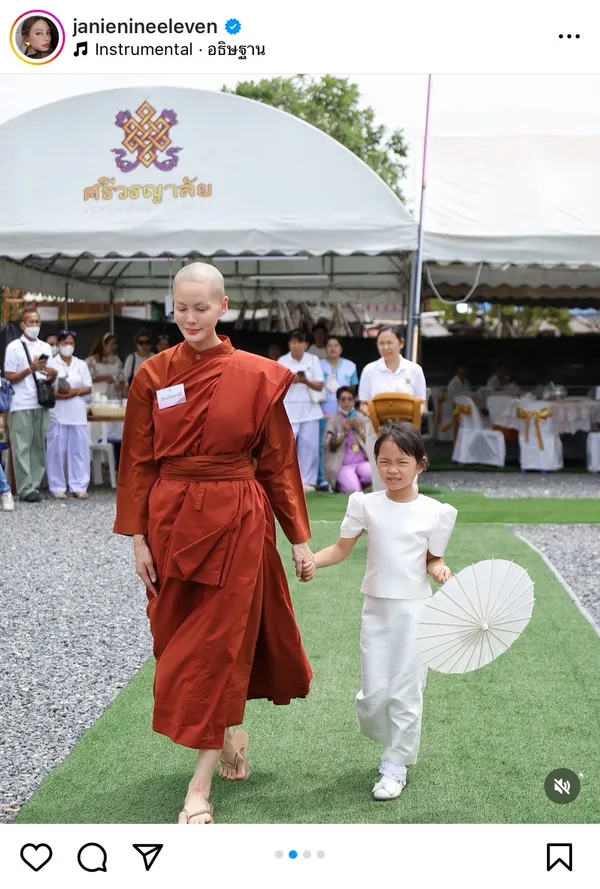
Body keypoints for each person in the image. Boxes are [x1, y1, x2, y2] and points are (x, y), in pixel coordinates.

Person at [113, 262, 314, 825]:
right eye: (181, 308)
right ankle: (227, 739)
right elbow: (137, 462)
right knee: (175, 642)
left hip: (238, 521)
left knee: (220, 645)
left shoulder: (257, 376)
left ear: (223, 307)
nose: (190, 318)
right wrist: (137, 538)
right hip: (170, 523)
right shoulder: (152, 375)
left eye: (201, 308)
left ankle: (198, 789)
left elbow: (278, 463)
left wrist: (298, 538)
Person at [310, 422, 457, 801]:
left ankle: (395, 765)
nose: (392, 470)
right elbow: (340, 549)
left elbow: (433, 558)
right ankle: (390, 741)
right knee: (374, 694)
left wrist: (439, 568)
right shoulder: (366, 504)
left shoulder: (435, 512)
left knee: (407, 690)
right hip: (375, 608)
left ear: (420, 464)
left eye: (402, 462)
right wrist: (311, 560)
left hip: (416, 611)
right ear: (375, 462)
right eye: (385, 462)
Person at [358, 325, 427, 492]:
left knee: (408, 477)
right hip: (377, 431)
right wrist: (376, 418)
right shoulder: (370, 370)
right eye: (381, 343)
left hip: (407, 433)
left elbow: (421, 404)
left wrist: (409, 428)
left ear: (401, 343)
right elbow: (363, 404)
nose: (385, 347)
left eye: (390, 342)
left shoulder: (415, 370)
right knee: (380, 477)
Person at [3, 309, 57, 502]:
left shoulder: (46, 347)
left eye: (37, 321)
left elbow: (47, 377)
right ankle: (25, 488)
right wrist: (30, 369)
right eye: (31, 322)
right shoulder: (14, 347)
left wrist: (53, 376)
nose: (35, 325)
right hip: (21, 403)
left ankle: (34, 485)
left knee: (38, 446)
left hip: (40, 402)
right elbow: (9, 376)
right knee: (22, 447)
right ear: (22, 325)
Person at [46, 330, 93, 500]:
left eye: (71, 343)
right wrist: (62, 395)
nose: (68, 346)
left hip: (77, 414)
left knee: (79, 451)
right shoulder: (51, 364)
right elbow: (47, 389)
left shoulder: (81, 364)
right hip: (58, 414)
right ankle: (57, 487)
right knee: (56, 452)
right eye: (65, 342)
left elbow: (88, 387)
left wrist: (74, 392)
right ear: (59, 344)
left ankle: (79, 486)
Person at [278, 329, 325, 492]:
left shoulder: (313, 359)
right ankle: (285, 480)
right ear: (289, 344)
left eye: (300, 342)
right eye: (294, 342)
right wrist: (291, 380)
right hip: (288, 409)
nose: (297, 345)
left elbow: (320, 385)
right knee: (287, 447)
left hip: (310, 409)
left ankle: (308, 482)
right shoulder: (282, 360)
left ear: (306, 344)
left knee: (309, 447)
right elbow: (276, 384)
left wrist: (305, 381)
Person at [323, 386, 371, 493]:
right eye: (343, 399)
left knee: (373, 474)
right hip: (343, 465)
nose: (347, 402)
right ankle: (343, 483)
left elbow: (371, 441)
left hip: (361, 462)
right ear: (338, 402)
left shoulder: (360, 417)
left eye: (350, 399)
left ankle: (354, 480)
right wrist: (344, 432)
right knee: (354, 490)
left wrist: (359, 430)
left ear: (354, 401)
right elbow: (329, 445)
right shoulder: (333, 420)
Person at [86, 333, 126, 399]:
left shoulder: (116, 360)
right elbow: (87, 377)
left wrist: (121, 385)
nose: (114, 347)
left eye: (115, 344)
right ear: (104, 344)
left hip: (114, 397)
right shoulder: (91, 361)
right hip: (98, 397)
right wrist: (105, 378)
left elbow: (122, 377)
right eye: (112, 344)